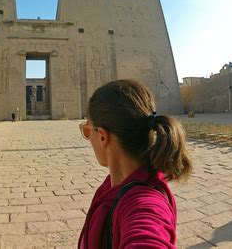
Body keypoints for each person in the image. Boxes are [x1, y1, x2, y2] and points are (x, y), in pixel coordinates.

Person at [78, 79, 192, 248]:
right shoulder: (112, 185)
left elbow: (146, 232)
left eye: (87, 130)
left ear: (102, 136)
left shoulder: (144, 205)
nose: (88, 138)